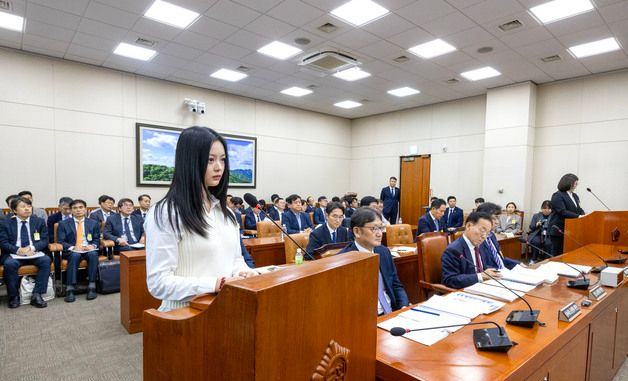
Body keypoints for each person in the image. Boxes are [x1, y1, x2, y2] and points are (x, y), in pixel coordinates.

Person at [145, 126, 257, 312]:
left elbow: (235, 259)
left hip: (226, 308)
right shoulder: (166, 212)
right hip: (184, 314)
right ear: (189, 161)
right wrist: (216, 284)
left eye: (222, 160)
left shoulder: (226, 213)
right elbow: (158, 283)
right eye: (210, 160)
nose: (219, 167)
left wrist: (243, 272)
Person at [339, 207, 408, 315]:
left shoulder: (384, 252)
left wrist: (404, 305)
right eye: (374, 229)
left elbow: (395, 284)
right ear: (357, 231)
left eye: (381, 228)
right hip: (365, 319)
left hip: (392, 312)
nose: (380, 233)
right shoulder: (344, 260)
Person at [441, 212, 517, 289]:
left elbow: (482, 266)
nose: (484, 236)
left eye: (488, 233)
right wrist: (481, 276)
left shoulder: (480, 245)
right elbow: (449, 280)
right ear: (468, 226)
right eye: (482, 230)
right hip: (465, 291)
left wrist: (493, 272)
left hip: (484, 287)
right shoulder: (453, 250)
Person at [0, 197, 51, 308]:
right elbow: (3, 242)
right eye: (23, 207)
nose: (27, 209)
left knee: (46, 260)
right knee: (9, 264)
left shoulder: (38, 221)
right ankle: (13, 296)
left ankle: (37, 294)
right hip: (13, 253)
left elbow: (45, 240)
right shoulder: (5, 223)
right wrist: (18, 250)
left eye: (29, 206)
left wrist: (31, 248)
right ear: (14, 210)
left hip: (33, 253)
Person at [57, 199, 100, 302]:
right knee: (74, 255)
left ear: (85, 209)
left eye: (81, 207)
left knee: (93, 254)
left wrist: (93, 245)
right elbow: (61, 241)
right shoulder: (63, 224)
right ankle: (70, 288)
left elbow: (97, 239)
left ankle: (92, 285)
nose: (78, 210)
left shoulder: (93, 223)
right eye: (75, 208)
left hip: (88, 249)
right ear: (71, 210)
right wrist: (73, 247)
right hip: (73, 250)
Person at [476, 202, 521, 271]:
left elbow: (499, 258)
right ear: (482, 218)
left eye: (498, 218)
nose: (497, 222)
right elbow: (482, 266)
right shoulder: (477, 239)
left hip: (502, 271)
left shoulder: (491, 235)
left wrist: (519, 264)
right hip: (492, 275)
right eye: (494, 218)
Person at [548, 173, 585, 256]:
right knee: (558, 254)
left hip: (571, 230)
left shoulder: (575, 196)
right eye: (576, 183)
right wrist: (579, 216)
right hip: (558, 230)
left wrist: (584, 215)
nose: (576, 185)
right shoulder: (557, 195)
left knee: (569, 254)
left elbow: (579, 209)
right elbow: (562, 211)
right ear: (569, 183)